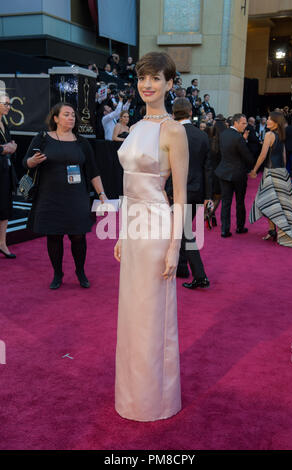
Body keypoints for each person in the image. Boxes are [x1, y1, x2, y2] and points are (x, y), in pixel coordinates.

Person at [114, 51, 188, 421]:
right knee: (132, 314)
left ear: (170, 84)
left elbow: (180, 196)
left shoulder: (173, 131)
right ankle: (131, 394)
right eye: (144, 78)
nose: (148, 85)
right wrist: (121, 234)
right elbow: (129, 189)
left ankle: (155, 399)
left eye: (156, 78)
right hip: (133, 229)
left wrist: (175, 246)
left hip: (158, 229)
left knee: (153, 314)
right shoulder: (136, 127)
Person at [23, 102, 107, 289]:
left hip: (76, 196)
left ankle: (80, 271)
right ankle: (57, 273)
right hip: (49, 196)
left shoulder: (81, 142)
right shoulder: (42, 138)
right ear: (55, 118)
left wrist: (102, 195)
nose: (71, 118)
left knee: (78, 236)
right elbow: (25, 163)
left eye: (73, 115)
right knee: (54, 236)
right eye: (66, 114)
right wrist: (33, 161)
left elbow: (93, 171)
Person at [166, 97, 213, 289]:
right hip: (197, 190)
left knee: (184, 232)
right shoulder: (202, 136)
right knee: (184, 228)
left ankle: (200, 275)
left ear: (173, 113)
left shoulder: (169, 133)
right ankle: (182, 268)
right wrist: (208, 195)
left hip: (176, 191)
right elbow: (208, 167)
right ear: (191, 113)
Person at [249, 112, 292, 248]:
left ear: (276, 122)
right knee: (281, 204)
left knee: (266, 202)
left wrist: (254, 170)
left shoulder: (269, 135)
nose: (268, 121)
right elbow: (283, 157)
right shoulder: (281, 135)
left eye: (270, 119)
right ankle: (277, 231)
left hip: (271, 173)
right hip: (281, 173)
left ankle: (274, 231)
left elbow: (263, 154)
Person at [215, 113, 254, 237]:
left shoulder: (224, 134)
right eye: (243, 123)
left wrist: (243, 139)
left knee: (225, 202)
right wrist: (244, 141)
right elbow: (248, 157)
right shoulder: (238, 137)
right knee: (239, 201)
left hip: (224, 172)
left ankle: (224, 230)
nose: (245, 125)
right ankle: (240, 227)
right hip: (238, 174)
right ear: (235, 123)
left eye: (246, 123)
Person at [0, 93, 18, 258]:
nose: (8, 106)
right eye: (5, 103)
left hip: (5, 170)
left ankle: (2, 243)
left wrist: (10, 147)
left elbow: (8, 144)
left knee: (5, 207)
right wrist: (3, 149)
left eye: (9, 103)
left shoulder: (4, 122)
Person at [208, 115, 227, 227]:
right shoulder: (224, 142)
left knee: (209, 196)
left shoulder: (208, 140)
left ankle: (210, 213)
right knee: (218, 196)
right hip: (220, 173)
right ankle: (210, 213)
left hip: (209, 172)